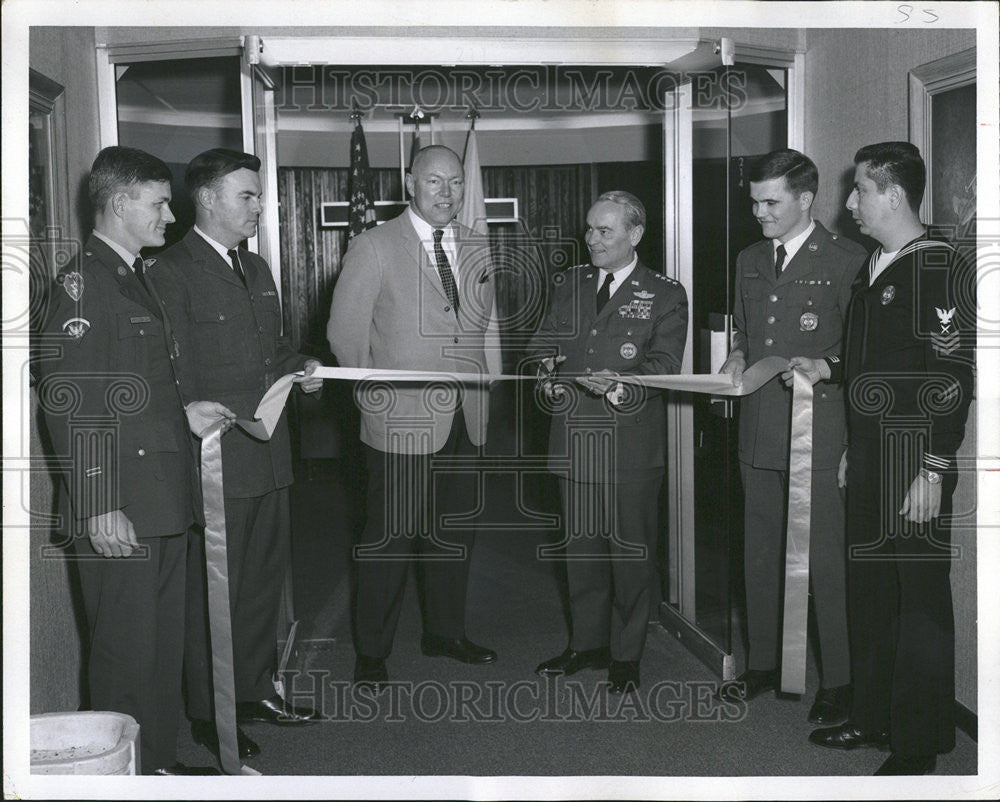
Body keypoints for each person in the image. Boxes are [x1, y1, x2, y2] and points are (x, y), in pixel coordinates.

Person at [37, 146, 231, 775]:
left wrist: (187, 412)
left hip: (160, 498)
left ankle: (157, 767)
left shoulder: (133, 272)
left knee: (158, 648)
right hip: (120, 504)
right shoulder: (83, 284)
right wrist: (98, 505)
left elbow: (138, 388)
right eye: (158, 203)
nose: (170, 217)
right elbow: (72, 401)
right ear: (119, 204)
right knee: (124, 654)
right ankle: (122, 780)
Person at [809, 142, 973, 775]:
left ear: (895, 196)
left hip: (915, 457)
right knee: (871, 591)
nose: (850, 204)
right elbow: (866, 365)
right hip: (872, 455)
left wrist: (935, 466)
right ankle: (872, 717)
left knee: (918, 600)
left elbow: (952, 373)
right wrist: (849, 434)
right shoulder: (874, 265)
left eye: (860, 192)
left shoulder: (939, 266)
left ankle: (919, 743)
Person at [153, 149, 323, 761]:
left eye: (258, 195)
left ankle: (253, 689)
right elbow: (169, 378)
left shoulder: (256, 269)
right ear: (207, 199)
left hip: (270, 453)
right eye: (247, 196)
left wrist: (300, 367)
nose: (259, 206)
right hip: (216, 461)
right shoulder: (170, 272)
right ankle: (210, 709)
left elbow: (273, 350)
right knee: (215, 594)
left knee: (261, 586)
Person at [327, 145, 500, 686]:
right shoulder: (374, 246)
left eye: (454, 183)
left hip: (466, 417)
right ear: (409, 183)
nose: (446, 192)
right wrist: (372, 398)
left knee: (453, 534)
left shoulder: (476, 245)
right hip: (399, 420)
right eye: (434, 182)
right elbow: (344, 334)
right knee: (390, 539)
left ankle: (444, 632)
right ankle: (372, 651)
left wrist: (487, 388)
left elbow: (486, 326)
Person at [718, 150, 866, 724]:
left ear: (806, 199)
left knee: (824, 560)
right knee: (759, 553)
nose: (759, 213)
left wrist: (824, 363)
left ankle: (840, 679)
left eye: (771, 202)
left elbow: (858, 353)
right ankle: (762, 664)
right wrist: (734, 356)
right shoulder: (750, 258)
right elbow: (745, 333)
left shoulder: (848, 260)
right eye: (754, 202)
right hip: (758, 427)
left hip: (819, 430)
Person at [529, 191, 688, 694]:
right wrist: (545, 376)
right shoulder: (571, 283)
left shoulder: (665, 294)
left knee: (630, 556)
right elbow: (542, 346)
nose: (592, 240)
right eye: (591, 229)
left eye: (605, 232)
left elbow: (664, 366)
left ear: (635, 235)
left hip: (629, 447)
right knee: (581, 555)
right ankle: (587, 643)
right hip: (573, 438)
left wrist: (620, 385)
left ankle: (626, 653)